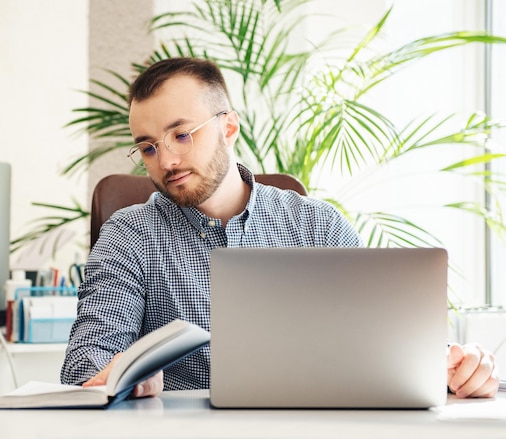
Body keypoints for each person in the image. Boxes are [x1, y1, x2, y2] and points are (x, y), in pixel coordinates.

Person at [61, 57, 499, 400]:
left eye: (181, 135)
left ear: (228, 126)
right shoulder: (129, 234)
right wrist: (123, 376)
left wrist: (456, 368)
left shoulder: (319, 226)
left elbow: (399, 350)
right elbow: (83, 364)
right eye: (149, 147)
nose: (167, 161)